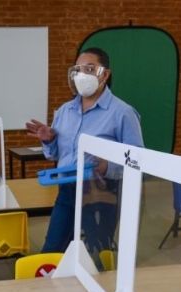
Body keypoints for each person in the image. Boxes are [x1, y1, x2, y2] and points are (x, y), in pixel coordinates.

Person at [26, 47, 144, 253]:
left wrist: (107, 166)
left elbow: (137, 160)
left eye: (90, 69)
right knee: (52, 250)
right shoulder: (64, 111)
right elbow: (53, 155)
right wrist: (49, 140)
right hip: (67, 190)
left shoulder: (122, 113)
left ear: (105, 74)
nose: (83, 75)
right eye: (78, 70)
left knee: (96, 254)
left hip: (100, 193)